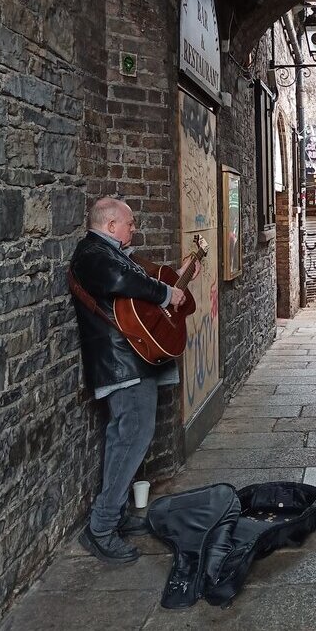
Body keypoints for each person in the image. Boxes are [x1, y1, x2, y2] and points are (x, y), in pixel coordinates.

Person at [68, 197, 200, 564]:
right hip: (121, 363)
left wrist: (175, 281)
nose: (134, 229)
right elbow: (117, 281)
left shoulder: (115, 253)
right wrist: (162, 292)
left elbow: (137, 290)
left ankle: (117, 513)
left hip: (134, 358)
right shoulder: (92, 254)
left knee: (125, 438)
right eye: (130, 223)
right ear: (110, 225)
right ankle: (101, 528)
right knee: (132, 438)